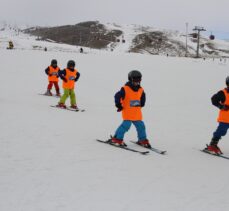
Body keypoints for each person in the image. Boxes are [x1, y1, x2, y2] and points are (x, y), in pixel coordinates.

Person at [110, 70, 151, 148]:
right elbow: (117, 96)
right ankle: (117, 138)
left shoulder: (140, 89)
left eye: (138, 80)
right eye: (135, 80)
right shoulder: (125, 89)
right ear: (130, 79)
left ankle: (142, 140)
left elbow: (143, 96)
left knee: (141, 126)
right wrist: (118, 104)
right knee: (126, 126)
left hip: (137, 113)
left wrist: (142, 103)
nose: (137, 82)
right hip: (128, 112)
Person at [205, 76, 229, 154]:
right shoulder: (223, 93)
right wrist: (221, 106)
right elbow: (214, 99)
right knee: (221, 131)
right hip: (225, 119)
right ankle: (213, 145)